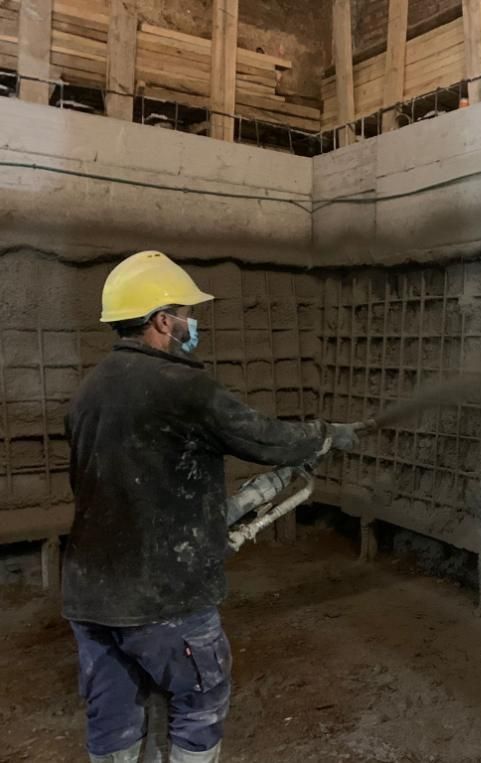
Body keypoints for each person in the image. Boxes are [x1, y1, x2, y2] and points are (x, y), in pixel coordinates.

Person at [62, 251, 359, 763]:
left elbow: (95, 486)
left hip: (89, 594)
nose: (190, 323)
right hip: (164, 597)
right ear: (161, 321)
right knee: (199, 700)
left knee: (114, 713)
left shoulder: (87, 392)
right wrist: (327, 436)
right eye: (184, 313)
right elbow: (263, 438)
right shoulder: (185, 387)